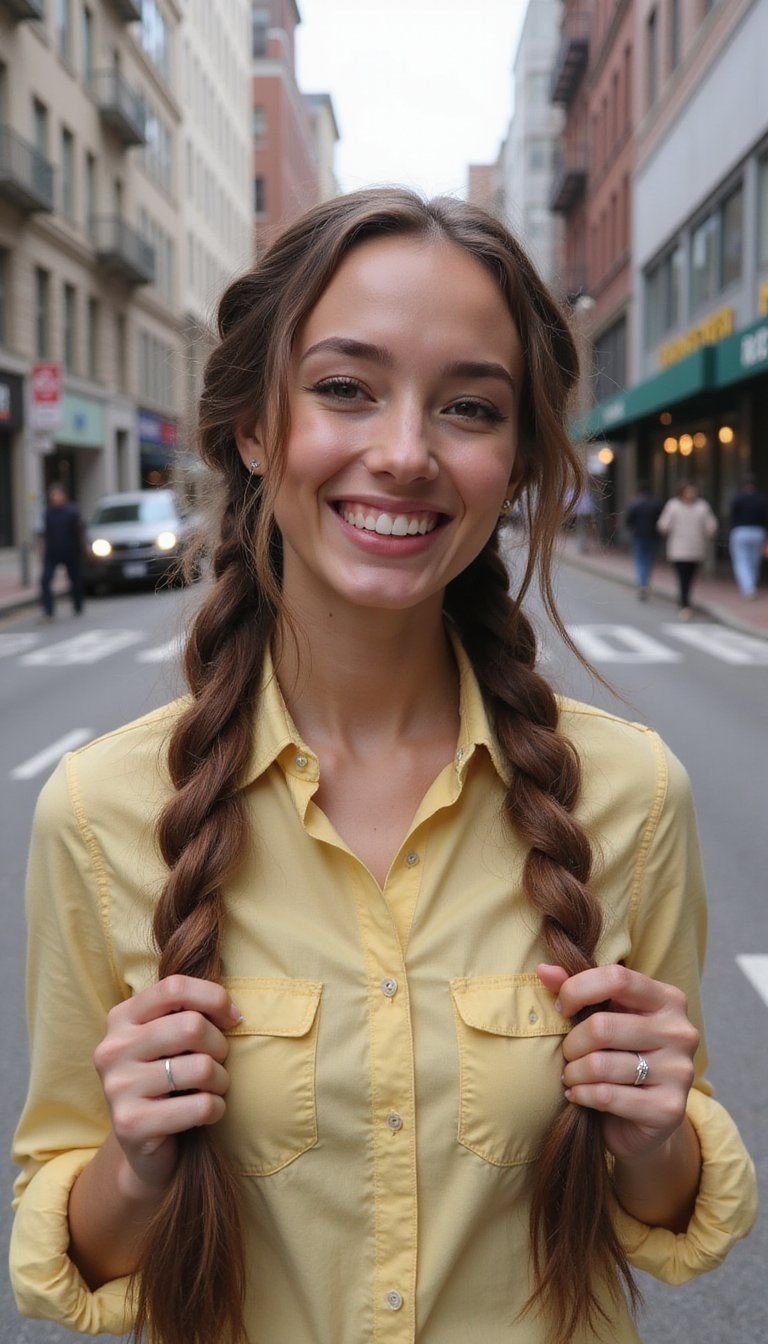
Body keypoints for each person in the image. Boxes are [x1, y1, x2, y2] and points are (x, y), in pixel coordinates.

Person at [11, 190, 756, 1344]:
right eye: (345, 388)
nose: (405, 453)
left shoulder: (633, 795)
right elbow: (73, 1251)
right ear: (257, 428)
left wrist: (659, 1136)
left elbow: (663, 1216)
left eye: (468, 406)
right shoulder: (100, 810)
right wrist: (135, 1163)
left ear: (512, 463)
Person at [656, 480, 718, 619]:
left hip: (696, 548)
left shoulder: (702, 506)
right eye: (689, 491)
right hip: (679, 548)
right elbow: (663, 525)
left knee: (691, 576)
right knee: (682, 576)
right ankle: (684, 603)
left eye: (693, 491)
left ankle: (684, 600)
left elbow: (711, 525)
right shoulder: (673, 505)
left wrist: (708, 533)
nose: (691, 494)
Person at [39, 481, 85, 619]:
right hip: (52, 553)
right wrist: (43, 549)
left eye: (57, 495)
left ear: (63, 496)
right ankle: (48, 610)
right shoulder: (48, 513)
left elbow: (79, 531)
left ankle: (78, 605)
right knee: (45, 580)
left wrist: (83, 549)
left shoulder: (72, 511)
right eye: (53, 495)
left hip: (71, 551)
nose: (55, 498)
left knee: (75, 580)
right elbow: (45, 533)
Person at [728, 472, 767, 600]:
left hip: (741, 531)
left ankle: (748, 587)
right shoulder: (761, 499)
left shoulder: (737, 498)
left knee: (742, 561)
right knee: (754, 561)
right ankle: (751, 585)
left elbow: (731, 516)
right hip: (758, 531)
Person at [624, 482, 662, 599]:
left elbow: (628, 520)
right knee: (648, 560)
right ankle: (645, 582)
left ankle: (642, 583)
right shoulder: (657, 504)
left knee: (640, 559)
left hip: (639, 536)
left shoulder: (635, 504)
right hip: (653, 536)